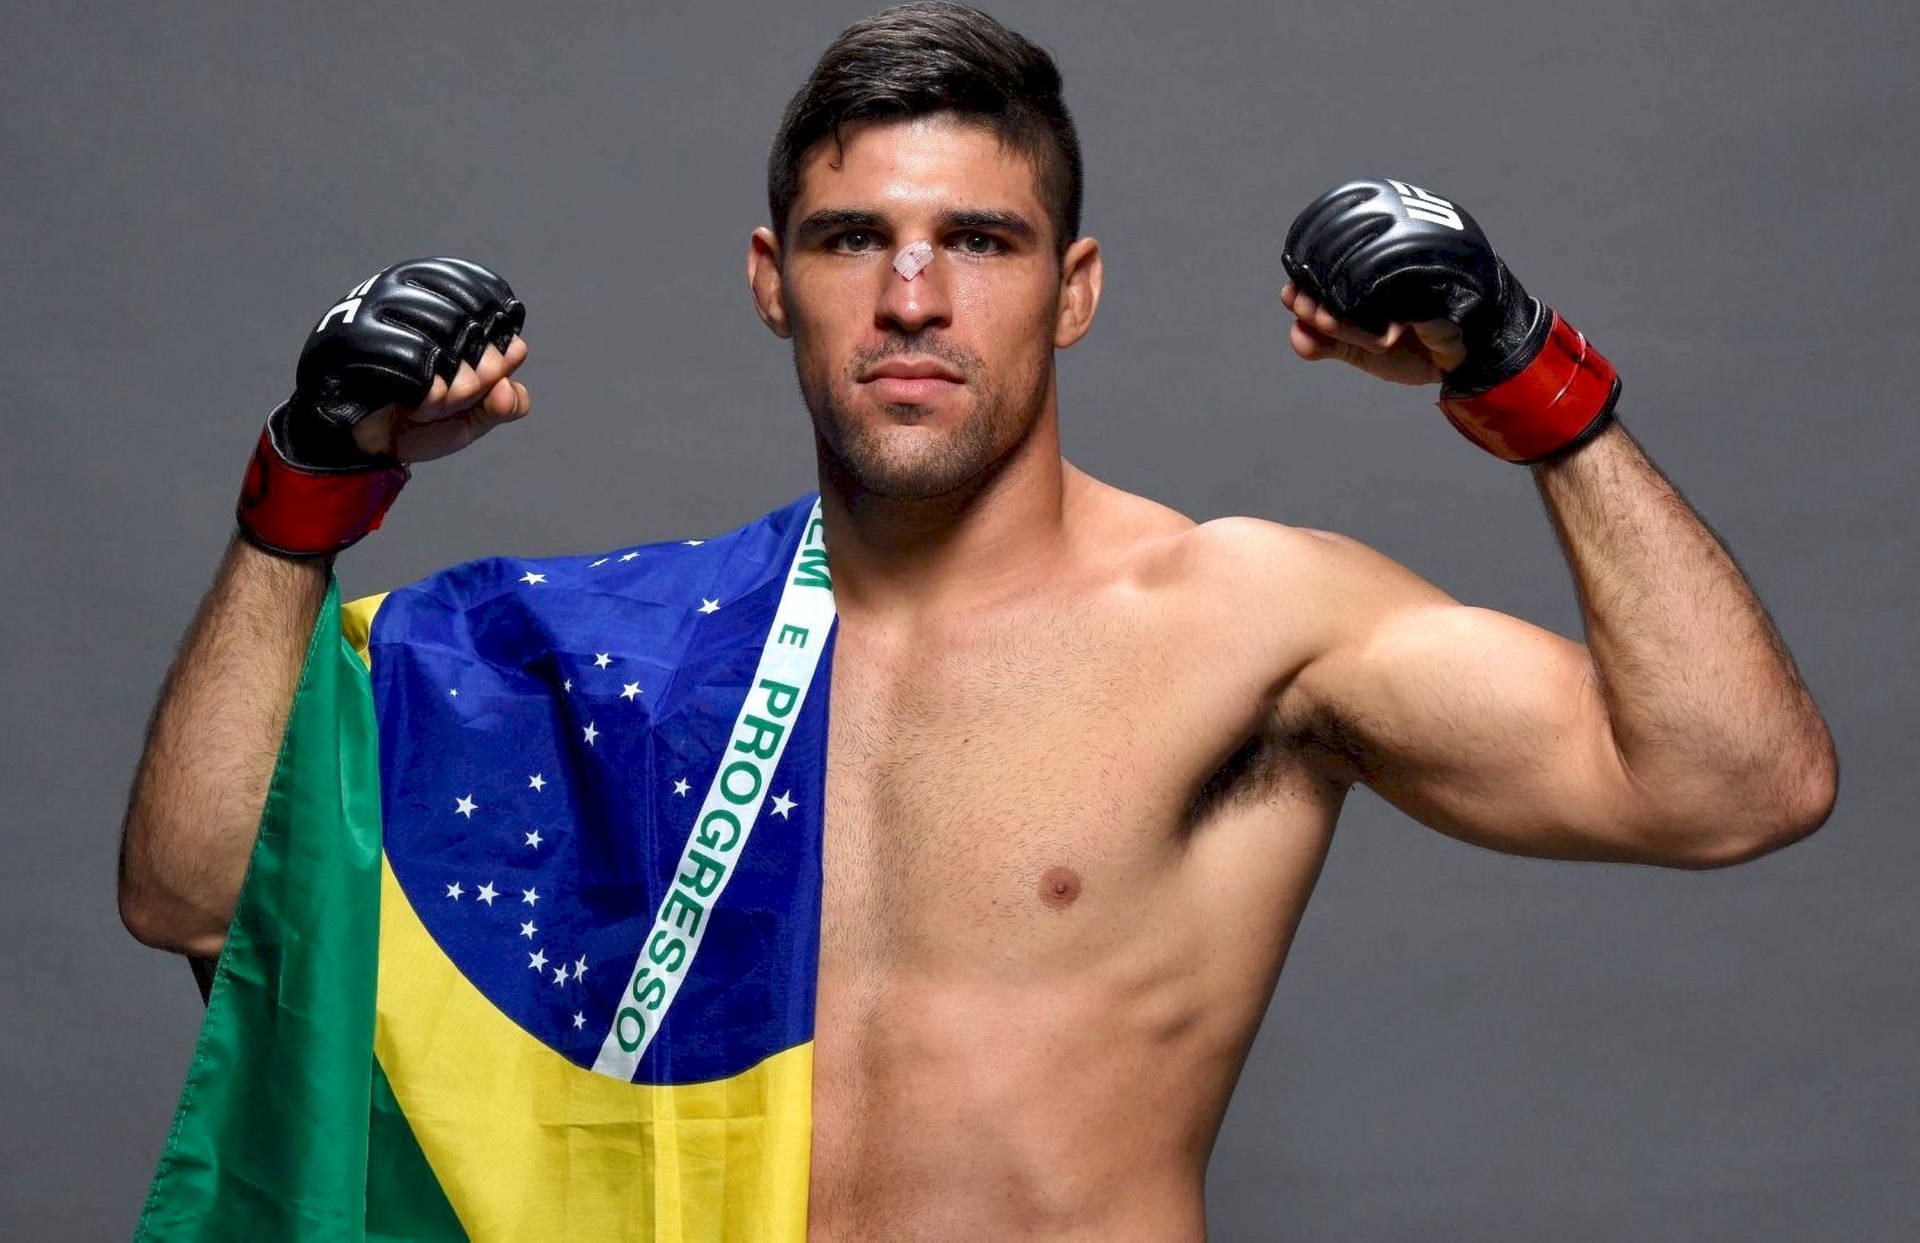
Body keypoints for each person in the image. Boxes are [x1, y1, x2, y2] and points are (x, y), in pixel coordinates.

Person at [117, 1, 1837, 1236]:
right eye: (856, 238)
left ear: (1071, 291)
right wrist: (309, 485)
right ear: (773, 281)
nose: (917, 295)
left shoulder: (1242, 623)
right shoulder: (601, 668)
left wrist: (1538, 384)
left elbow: (1732, 785)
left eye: (984, 242)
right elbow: (192, 895)